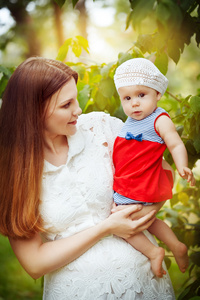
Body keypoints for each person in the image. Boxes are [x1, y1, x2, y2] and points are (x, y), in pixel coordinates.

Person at [0, 57, 176, 300]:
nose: (78, 110)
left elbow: (162, 171)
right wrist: (106, 228)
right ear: (33, 112)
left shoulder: (101, 128)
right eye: (66, 105)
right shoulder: (14, 171)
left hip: (145, 283)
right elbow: (34, 263)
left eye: (75, 99)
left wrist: (148, 210)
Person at [112, 57, 195, 278]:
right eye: (127, 98)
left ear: (157, 94)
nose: (134, 103)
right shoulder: (129, 122)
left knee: (126, 226)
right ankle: (176, 246)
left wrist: (182, 166)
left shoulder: (159, 119)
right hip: (129, 184)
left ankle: (154, 252)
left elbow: (175, 143)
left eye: (141, 95)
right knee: (149, 222)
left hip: (144, 185)